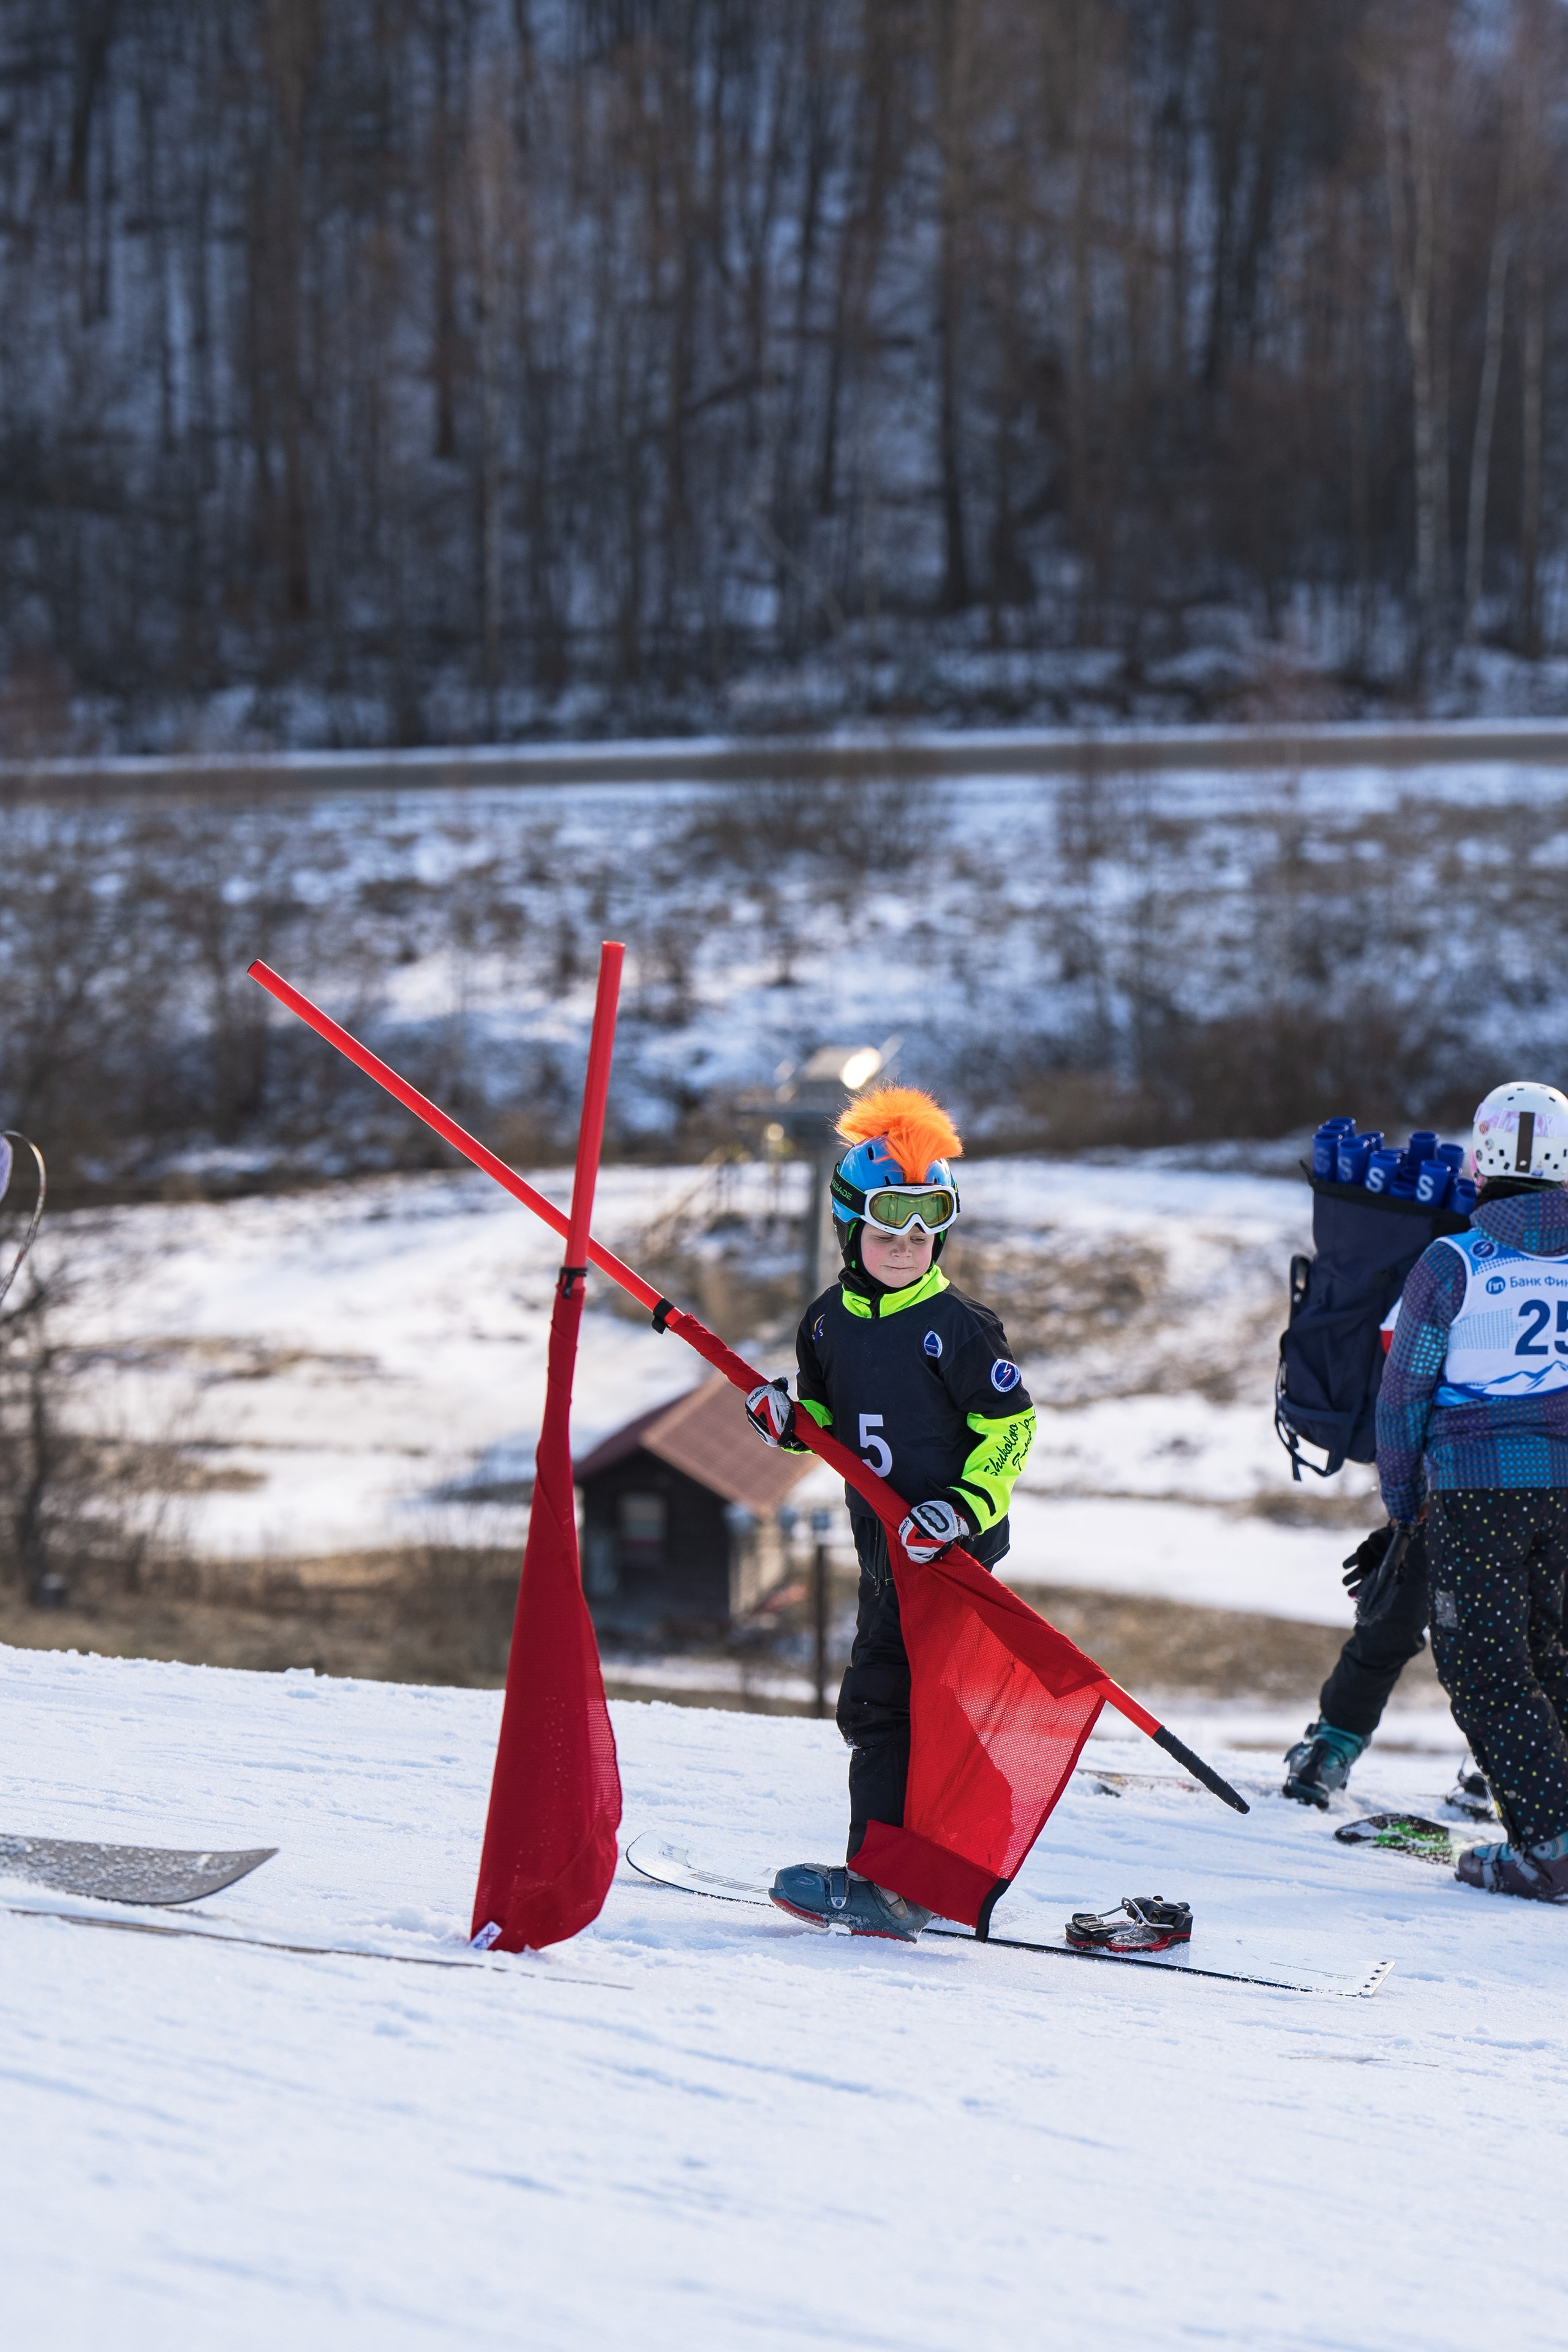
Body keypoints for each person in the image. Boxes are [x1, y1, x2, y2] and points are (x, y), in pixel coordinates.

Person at [743, 1087, 1036, 1940]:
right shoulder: (828, 1325)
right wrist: (789, 1424)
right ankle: (930, 1867)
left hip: (950, 1557)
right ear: (850, 1234)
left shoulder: (957, 1327)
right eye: (884, 1233)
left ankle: (891, 1882)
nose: (905, 1250)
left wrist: (962, 1507)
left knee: (890, 1707)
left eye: (920, 1235)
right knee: (891, 1708)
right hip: (882, 1552)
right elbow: (832, 1427)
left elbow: (1011, 1430)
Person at [1376, 1079, 1568, 1900]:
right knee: (1554, 1655)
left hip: (1475, 1493)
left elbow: (1403, 1396)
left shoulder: (1450, 1263)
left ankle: (1547, 1845)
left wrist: (1399, 1502)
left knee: (1488, 1666)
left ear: (1483, 1158)